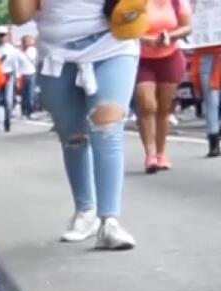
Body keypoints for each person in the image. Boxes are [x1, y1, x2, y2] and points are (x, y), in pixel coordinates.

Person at [11, 0, 139, 250]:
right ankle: (85, 212)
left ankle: (109, 221)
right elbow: (20, 16)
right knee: (73, 138)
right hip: (56, 54)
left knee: (108, 130)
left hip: (110, 45)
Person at [135, 0, 190, 172]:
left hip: (170, 56)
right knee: (147, 104)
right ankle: (150, 154)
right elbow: (125, 29)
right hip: (141, 59)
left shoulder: (177, 2)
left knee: (164, 108)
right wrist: (147, 39)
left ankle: (161, 153)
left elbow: (187, 27)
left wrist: (170, 36)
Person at [0, 27, 21, 131]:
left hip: (8, 75)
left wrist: (17, 78)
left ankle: (7, 122)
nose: (1, 37)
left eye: (3, 35)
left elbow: (15, 64)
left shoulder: (11, 49)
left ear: (7, 36)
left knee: (8, 101)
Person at [19, 34, 40, 116]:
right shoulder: (22, 51)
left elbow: (34, 59)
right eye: (24, 41)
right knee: (26, 93)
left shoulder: (31, 50)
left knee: (29, 93)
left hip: (29, 73)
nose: (25, 43)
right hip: (26, 74)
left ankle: (28, 110)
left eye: (27, 41)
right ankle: (26, 110)